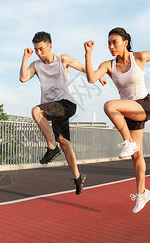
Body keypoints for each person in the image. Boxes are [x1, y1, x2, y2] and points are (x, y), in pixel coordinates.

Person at [84, 27, 150, 213]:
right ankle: (142, 193)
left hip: (144, 104)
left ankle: (127, 141)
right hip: (128, 111)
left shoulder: (138, 57)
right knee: (136, 155)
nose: (111, 46)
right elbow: (92, 78)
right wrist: (88, 53)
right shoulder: (109, 65)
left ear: (125, 42)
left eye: (114, 42)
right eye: (108, 43)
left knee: (109, 106)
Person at [20, 31, 101, 195]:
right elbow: (23, 78)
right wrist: (25, 57)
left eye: (41, 49)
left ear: (50, 46)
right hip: (52, 108)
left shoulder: (62, 59)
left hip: (66, 104)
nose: (39, 53)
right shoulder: (36, 65)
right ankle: (78, 177)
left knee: (36, 111)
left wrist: (99, 76)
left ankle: (51, 148)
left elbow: (83, 67)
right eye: (36, 50)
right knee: (64, 143)